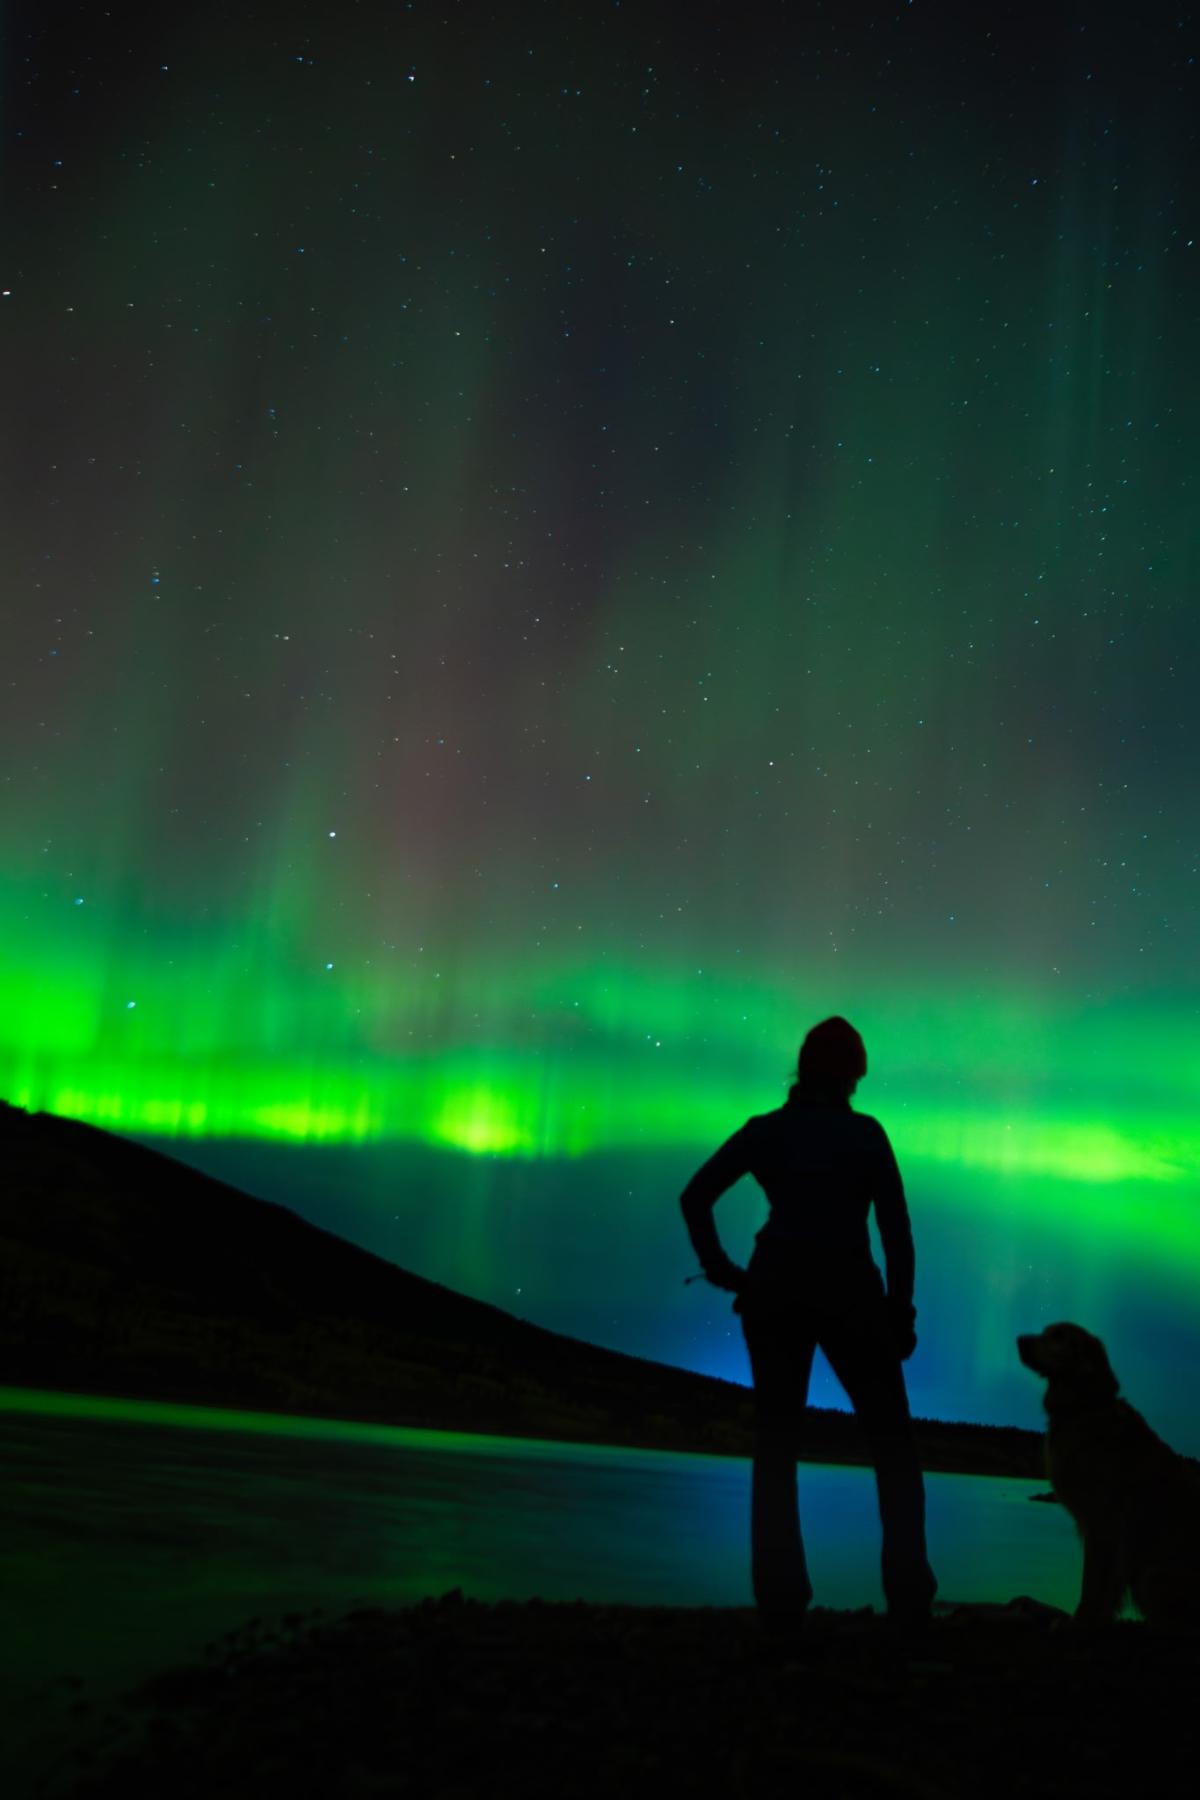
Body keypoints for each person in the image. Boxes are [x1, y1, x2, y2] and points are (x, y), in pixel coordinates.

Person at [680, 1016, 936, 1635]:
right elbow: (896, 1233)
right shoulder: (866, 1135)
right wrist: (900, 1310)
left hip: (775, 1292)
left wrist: (725, 1271)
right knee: (893, 1446)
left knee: (777, 1445)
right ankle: (907, 1600)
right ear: (854, 1072)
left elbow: (695, 1197)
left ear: (803, 1067)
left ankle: (781, 1604)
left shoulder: (768, 1132)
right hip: (852, 1293)